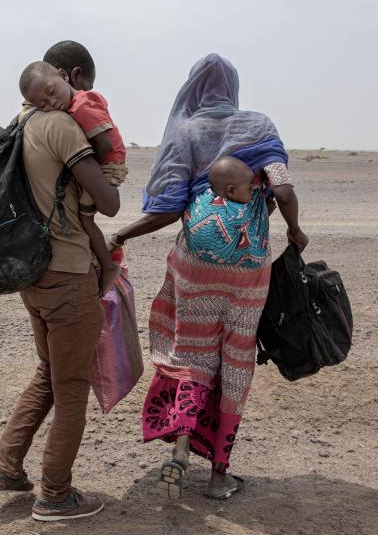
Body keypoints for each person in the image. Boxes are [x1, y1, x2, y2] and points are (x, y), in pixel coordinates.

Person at [108, 54, 308, 501]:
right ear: (233, 88)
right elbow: (283, 188)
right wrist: (295, 230)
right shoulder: (259, 126)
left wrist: (119, 234)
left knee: (192, 356)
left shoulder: (187, 131)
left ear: (193, 90)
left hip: (195, 267)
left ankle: (180, 449)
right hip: (248, 271)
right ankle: (219, 476)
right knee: (235, 360)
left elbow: (164, 209)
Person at [0, 44, 119, 523]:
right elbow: (110, 203)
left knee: (48, 374)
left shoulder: (20, 123)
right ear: (70, 76)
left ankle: (6, 467)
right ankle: (55, 495)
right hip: (67, 275)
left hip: (32, 274)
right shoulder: (60, 126)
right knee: (72, 387)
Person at [19, 60, 127, 294]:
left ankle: (108, 266)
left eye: (51, 92)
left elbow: (104, 146)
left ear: (64, 75)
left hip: (108, 165)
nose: (52, 103)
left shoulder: (80, 107)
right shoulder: (69, 109)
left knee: (86, 219)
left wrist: (81, 167)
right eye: (43, 104)